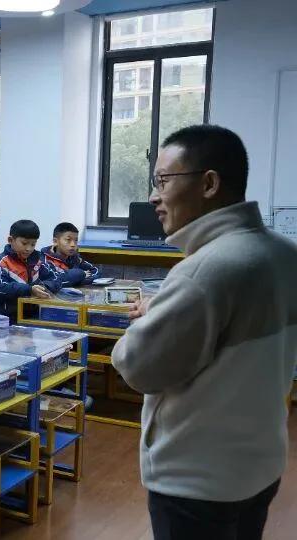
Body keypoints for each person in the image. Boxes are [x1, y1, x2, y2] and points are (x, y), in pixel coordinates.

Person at [111, 125, 297, 540]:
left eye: (163, 181)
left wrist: (144, 322)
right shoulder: (285, 253)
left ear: (209, 183)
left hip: (197, 481)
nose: (154, 196)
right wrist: (165, 309)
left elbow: (138, 367)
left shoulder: (205, 271)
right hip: (260, 464)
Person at [0, 219, 61, 320]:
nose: (28, 249)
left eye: (33, 244)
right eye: (24, 243)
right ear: (10, 240)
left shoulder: (37, 260)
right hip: (2, 317)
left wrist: (42, 287)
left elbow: (56, 279)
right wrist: (29, 290)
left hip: (28, 316)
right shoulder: (0, 262)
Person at [41, 222, 98, 287]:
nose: (73, 245)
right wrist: (81, 274)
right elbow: (55, 281)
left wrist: (78, 280)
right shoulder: (44, 261)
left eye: (76, 240)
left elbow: (95, 271)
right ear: (55, 241)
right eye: (68, 240)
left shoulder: (74, 258)